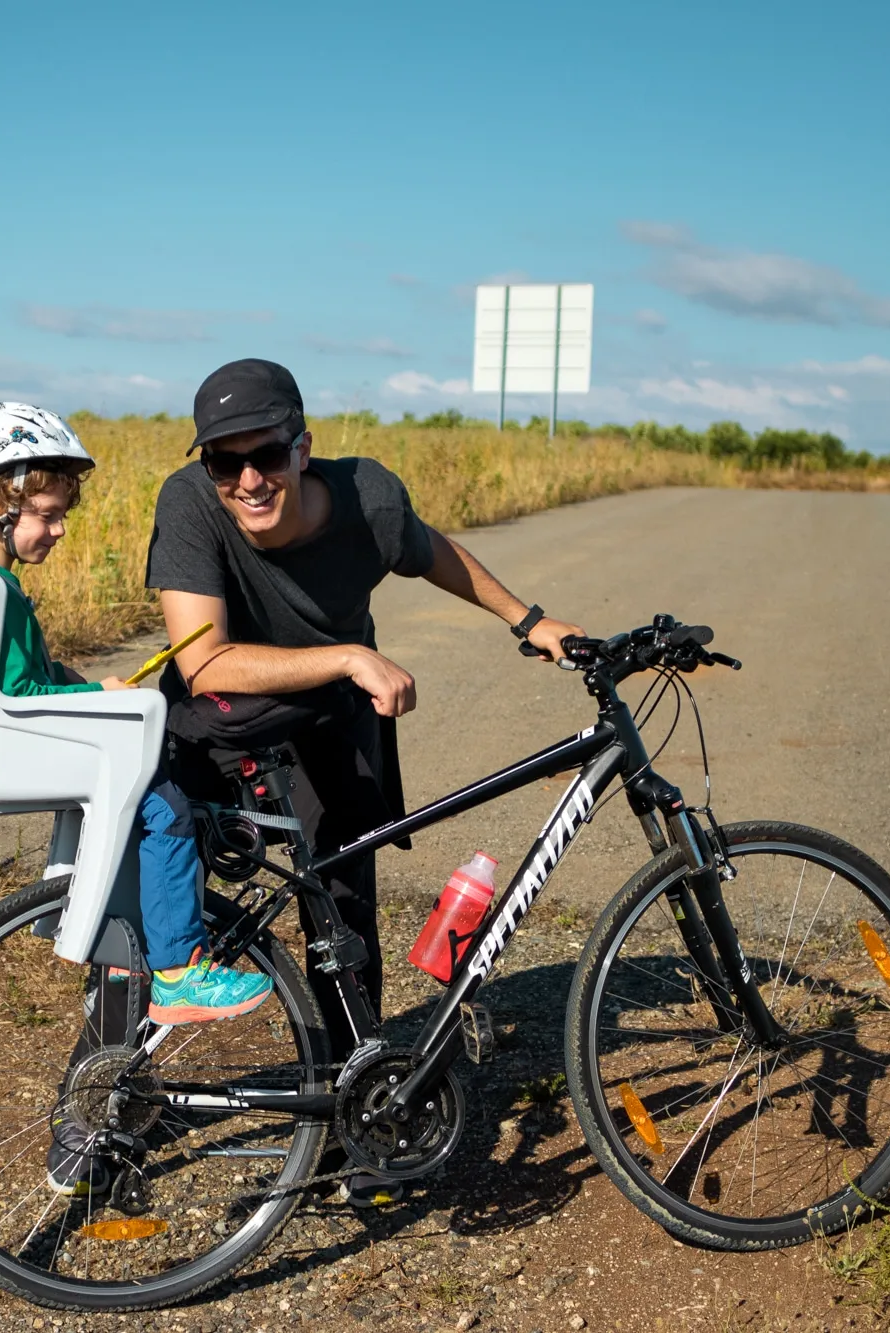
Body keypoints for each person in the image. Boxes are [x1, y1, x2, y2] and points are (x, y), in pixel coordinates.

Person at [145, 359, 584, 1203]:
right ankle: (96, 1113)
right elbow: (204, 663)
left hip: (332, 715)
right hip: (223, 712)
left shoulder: (368, 498)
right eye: (223, 462)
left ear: (302, 446)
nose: (247, 479)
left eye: (266, 455)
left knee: (345, 904)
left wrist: (528, 620)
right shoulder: (189, 505)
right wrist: (351, 654)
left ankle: (363, 1124)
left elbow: (429, 553)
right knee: (155, 910)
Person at [0, 401, 274, 1031]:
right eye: (46, 516)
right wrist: (102, 698)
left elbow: (30, 683)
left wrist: (93, 687)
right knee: (164, 805)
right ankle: (178, 972)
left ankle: (134, 945)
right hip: (21, 741)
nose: (59, 530)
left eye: (62, 516)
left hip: (15, 739)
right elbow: (18, 694)